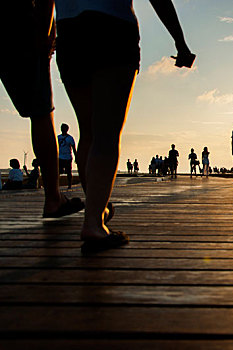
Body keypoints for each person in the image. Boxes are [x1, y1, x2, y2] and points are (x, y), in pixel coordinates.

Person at [54, 0, 194, 252]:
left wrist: (44, 34)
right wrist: (180, 42)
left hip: (69, 30)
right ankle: (94, 222)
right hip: (112, 26)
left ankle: (98, 211)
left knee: (87, 131)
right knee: (106, 134)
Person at [0, 1, 83, 215]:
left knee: (40, 112)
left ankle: (55, 197)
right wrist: (46, 31)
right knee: (41, 113)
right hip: (19, 22)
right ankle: (53, 198)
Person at [58, 123, 77, 189]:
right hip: (60, 157)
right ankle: (57, 185)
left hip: (67, 157)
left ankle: (69, 185)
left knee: (69, 172)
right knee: (59, 171)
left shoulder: (70, 138)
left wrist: (76, 157)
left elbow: (74, 148)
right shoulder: (58, 137)